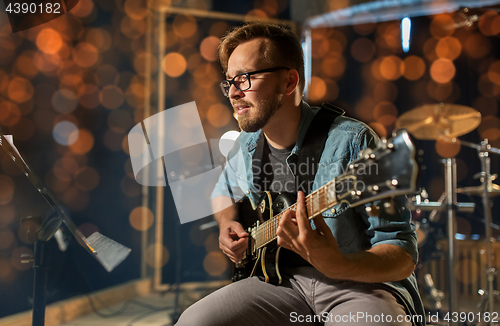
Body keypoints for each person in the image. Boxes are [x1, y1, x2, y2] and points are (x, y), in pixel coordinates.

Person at [176, 22, 425, 326]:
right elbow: (222, 192)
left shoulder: (352, 141)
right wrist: (227, 223)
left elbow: (402, 256)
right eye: (228, 82)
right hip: (281, 283)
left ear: (289, 81)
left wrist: (339, 264)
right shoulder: (245, 145)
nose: (232, 92)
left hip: (358, 285)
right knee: (194, 321)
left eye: (244, 79)